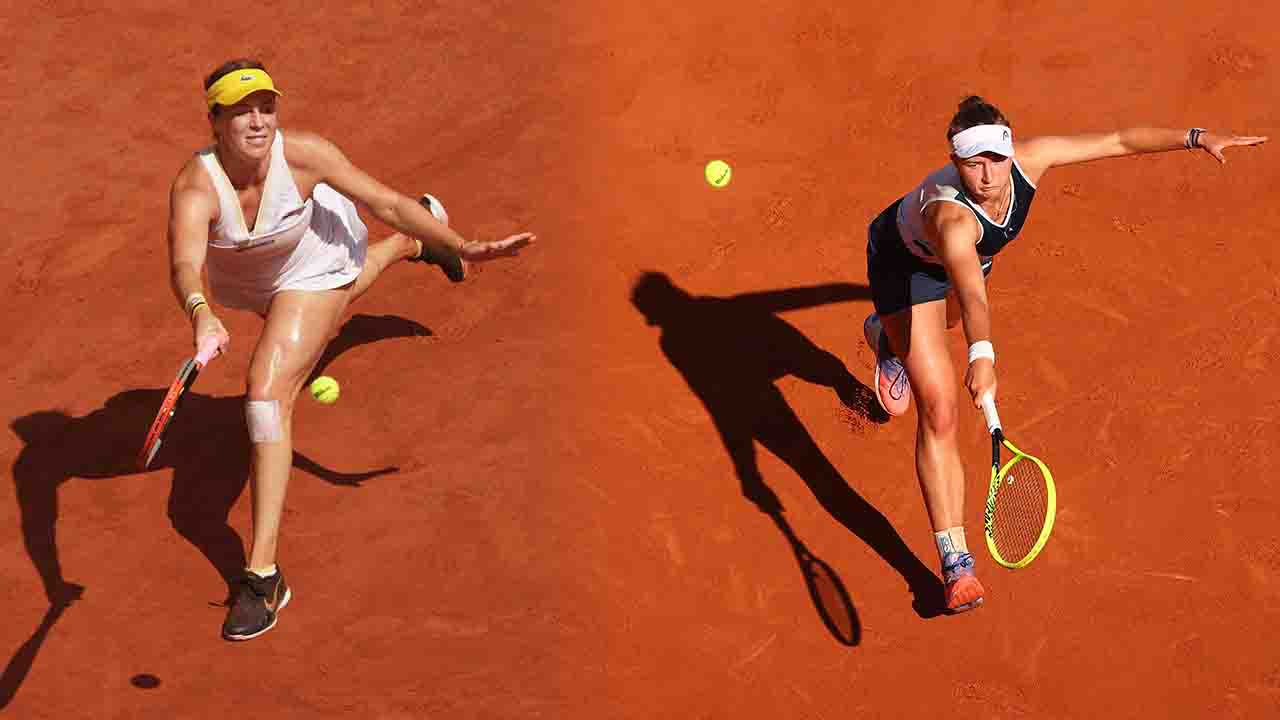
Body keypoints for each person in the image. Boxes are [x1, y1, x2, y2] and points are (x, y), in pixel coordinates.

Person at [167, 58, 534, 641]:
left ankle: (263, 577)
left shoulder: (305, 154)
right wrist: (201, 312)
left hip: (314, 255)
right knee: (334, 306)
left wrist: (464, 244)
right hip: (254, 277)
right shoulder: (195, 186)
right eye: (241, 112)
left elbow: (385, 202)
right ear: (214, 121)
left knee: (266, 396)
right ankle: (408, 247)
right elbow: (186, 264)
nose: (258, 122)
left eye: (266, 108)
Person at [862, 95, 1266, 613]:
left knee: (947, 322)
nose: (986, 176)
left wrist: (1196, 137)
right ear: (955, 162)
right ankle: (956, 563)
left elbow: (1119, 140)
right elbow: (974, 295)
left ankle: (889, 338)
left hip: (964, 267)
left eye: (995, 159)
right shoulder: (951, 219)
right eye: (972, 163)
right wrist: (982, 355)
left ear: (1011, 151)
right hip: (908, 268)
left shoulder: (1033, 160)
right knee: (938, 406)